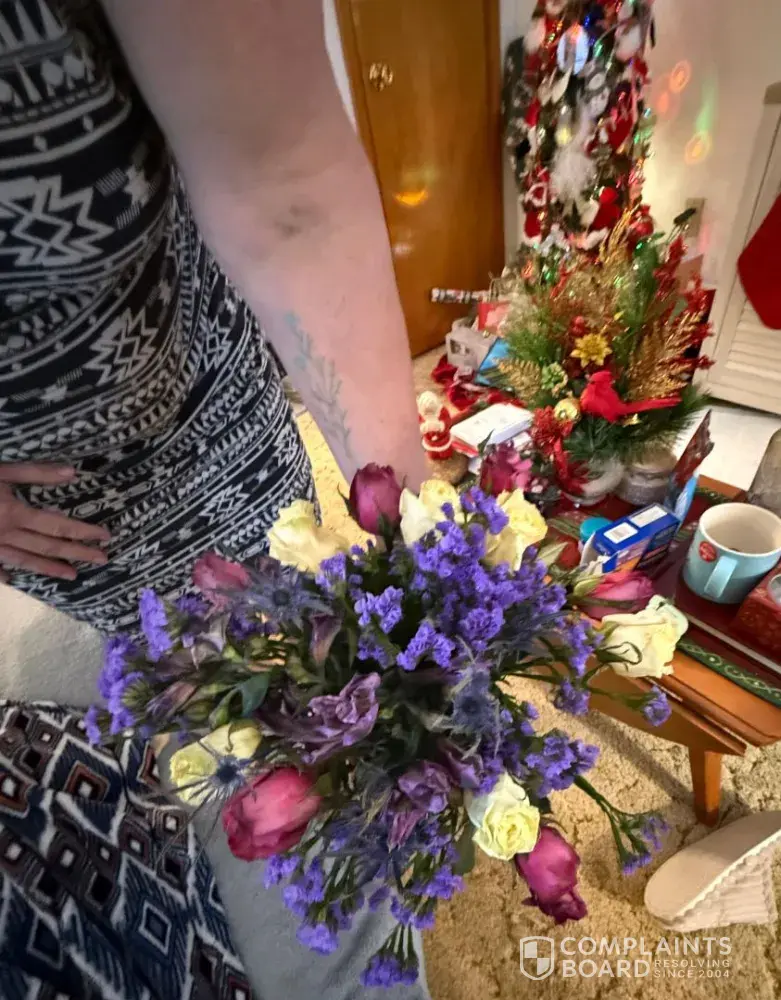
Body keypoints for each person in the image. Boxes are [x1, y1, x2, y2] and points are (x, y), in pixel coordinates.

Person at [0, 1, 430, 997]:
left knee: (329, 904)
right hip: (35, 582)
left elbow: (288, 189)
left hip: (221, 494)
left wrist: (411, 525)